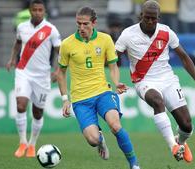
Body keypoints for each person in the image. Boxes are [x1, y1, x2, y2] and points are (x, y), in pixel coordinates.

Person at [115, 0, 195, 163]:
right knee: (157, 102)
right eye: (147, 18)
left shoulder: (166, 32)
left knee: (187, 125)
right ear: (141, 16)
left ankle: (180, 142)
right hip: (144, 81)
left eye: (154, 18)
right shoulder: (128, 34)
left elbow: (184, 57)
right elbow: (113, 58)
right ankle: (173, 145)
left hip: (168, 80)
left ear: (159, 17)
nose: (150, 21)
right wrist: (115, 80)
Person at [56, 7, 140, 169]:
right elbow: (61, 73)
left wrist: (116, 83)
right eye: (78, 24)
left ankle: (134, 164)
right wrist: (65, 99)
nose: (81, 28)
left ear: (94, 23)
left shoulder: (105, 39)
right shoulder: (66, 44)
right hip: (81, 99)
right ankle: (101, 141)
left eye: (85, 24)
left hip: (103, 92)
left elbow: (113, 66)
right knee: (92, 140)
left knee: (115, 125)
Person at [5, 0, 61, 158]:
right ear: (30, 11)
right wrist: (12, 59)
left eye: (40, 10)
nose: (37, 12)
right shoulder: (22, 27)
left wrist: (58, 71)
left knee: (37, 113)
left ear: (44, 11)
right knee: (21, 105)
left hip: (42, 76)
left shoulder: (51, 30)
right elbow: (17, 44)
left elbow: (61, 52)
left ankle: (32, 144)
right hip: (23, 72)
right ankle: (22, 142)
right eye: (35, 10)